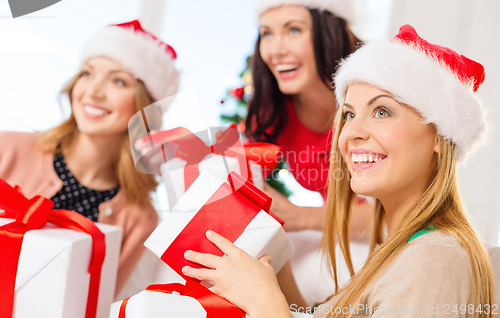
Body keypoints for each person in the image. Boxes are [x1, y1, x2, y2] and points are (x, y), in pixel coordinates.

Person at [182, 24, 495, 318]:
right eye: (349, 114)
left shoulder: (433, 259)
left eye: (382, 111)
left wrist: (266, 304)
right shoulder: (401, 249)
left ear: (439, 137)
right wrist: (271, 256)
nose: (351, 134)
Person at [0, 20, 180, 297]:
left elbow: (96, 305)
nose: (93, 91)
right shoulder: (7, 148)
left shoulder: (140, 219)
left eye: (118, 80)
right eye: (87, 73)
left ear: (144, 107)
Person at [244, 0, 373, 305]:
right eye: (267, 34)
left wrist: (299, 216)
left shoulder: (373, 97)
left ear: (329, 30)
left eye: (294, 30)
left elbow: (390, 213)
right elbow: (242, 174)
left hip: (387, 237)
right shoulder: (274, 111)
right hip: (338, 238)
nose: (276, 50)